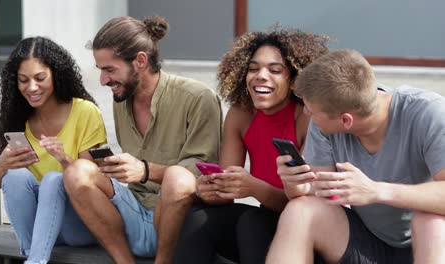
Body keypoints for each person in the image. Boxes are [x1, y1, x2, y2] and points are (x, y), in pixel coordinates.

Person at [62, 16, 222, 264]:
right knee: (78, 171)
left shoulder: (198, 98)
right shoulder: (122, 97)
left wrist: (145, 170)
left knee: (178, 179)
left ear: (140, 61)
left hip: (180, 220)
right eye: (101, 70)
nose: (103, 80)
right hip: (133, 211)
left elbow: (203, 175)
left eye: (109, 69)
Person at [266, 49, 445, 264]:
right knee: (300, 210)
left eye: (312, 111)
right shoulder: (323, 124)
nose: (306, 113)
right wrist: (297, 186)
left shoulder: (429, 113)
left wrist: (376, 190)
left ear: (346, 120)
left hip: (426, 245)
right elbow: (318, 192)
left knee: (430, 221)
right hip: (369, 241)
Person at [173, 28, 329, 263]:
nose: (261, 76)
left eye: (275, 70)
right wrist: (208, 190)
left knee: (253, 222)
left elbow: (303, 203)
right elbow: (226, 194)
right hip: (266, 220)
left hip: (309, 229)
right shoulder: (241, 114)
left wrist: (254, 188)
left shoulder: (307, 117)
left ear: (296, 78)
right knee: (199, 217)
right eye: (253, 69)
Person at [0, 36, 107, 264]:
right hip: (38, 230)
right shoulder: (19, 118)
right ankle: (32, 256)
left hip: (79, 223)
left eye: (40, 78)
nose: (31, 87)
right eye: (23, 80)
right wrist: (2, 165)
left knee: (54, 180)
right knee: (14, 176)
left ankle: (34, 259)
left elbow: (93, 182)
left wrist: (64, 160)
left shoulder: (85, 112)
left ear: (56, 74)